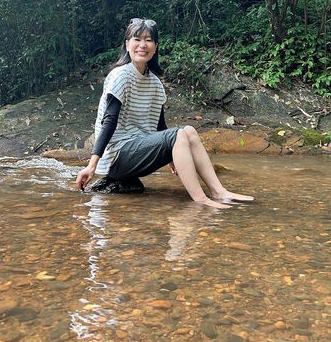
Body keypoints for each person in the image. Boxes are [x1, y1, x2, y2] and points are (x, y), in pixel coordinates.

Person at [76, 18, 254, 208]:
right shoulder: (120, 76)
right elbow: (109, 121)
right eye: (137, 39)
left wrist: (172, 156)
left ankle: (219, 192)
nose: (142, 45)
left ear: (155, 47)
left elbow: (160, 126)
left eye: (148, 40)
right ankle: (201, 200)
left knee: (189, 131)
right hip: (117, 156)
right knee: (178, 134)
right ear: (127, 44)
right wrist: (92, 165)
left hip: (137, 152)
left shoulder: (155, 83)